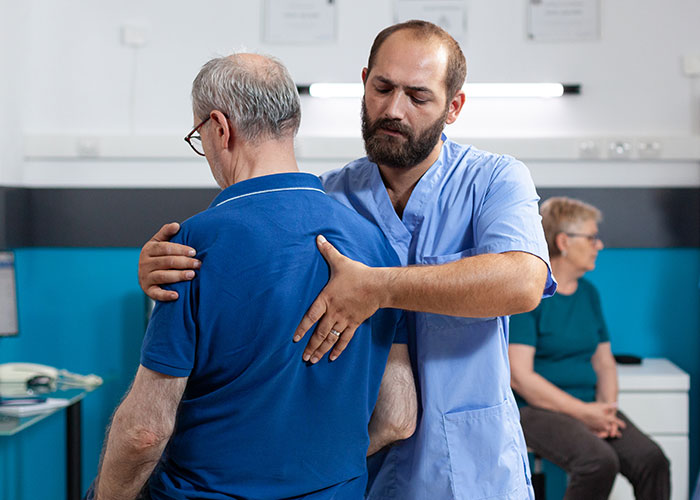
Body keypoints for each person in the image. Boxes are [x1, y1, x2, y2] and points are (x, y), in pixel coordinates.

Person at [139, 21, 556, 499]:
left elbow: (523, 282)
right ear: (364, 82)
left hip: (467, 466)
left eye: (418, 97)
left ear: (453, 107)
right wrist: (162, 267)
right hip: (359, 474)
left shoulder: (495, 181)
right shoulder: (332, 196)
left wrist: (378, 286)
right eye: (382, 88)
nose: (393, 110)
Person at [91, 53, 417, 500]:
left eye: (198, 135)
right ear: (291, 121)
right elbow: (399, 416)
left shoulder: (191, 248)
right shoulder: (376, 248)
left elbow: (144, 432)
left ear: (220, 128)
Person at [509, 196, 670, 500]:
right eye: (592, 237)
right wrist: (585, 414)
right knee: (598, 462)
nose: (600, 245)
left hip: (589, 406)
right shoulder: (530, 295)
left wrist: (606, 411)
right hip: (533, 410)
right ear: (563, 241)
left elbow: (604, 363)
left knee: (652, 459)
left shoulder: (589, 294)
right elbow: (519, 376)